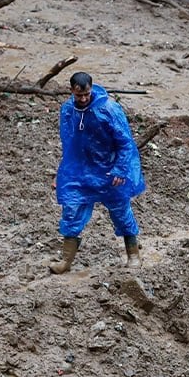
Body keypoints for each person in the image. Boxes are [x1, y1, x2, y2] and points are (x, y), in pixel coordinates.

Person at [51, 72, 146, 272]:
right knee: (71, 210)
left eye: (86, 94)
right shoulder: (68, 110)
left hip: (109, 169)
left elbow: (125, 143)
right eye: (79, 96)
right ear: (71, 92)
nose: (83, 99)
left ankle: (133, 253)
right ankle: (66, 261)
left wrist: (120, 169)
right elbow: (69, 143)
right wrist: (64, 173)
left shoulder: (108, 109)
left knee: (120, 211)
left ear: (91, 89)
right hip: (80, 170)